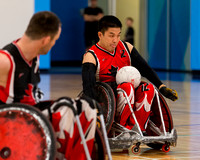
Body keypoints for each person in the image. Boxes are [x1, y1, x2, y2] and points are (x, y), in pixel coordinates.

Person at [0, 11, 98, 160]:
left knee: (86, 106)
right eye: (55, 40)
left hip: (34, 118)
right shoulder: (5, 61)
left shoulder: (35, 56)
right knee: (68, 111)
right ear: (46, 40)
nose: (54, 44)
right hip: (13, 127)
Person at [82, 15, 178, 132]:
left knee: (148, 88)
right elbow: (88, 88)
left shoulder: (127, 47)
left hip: (129, 95)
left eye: (118, 35)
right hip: (107, 102)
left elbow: (146, 69)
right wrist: (95, 111)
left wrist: (161, 87)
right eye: (111, 36)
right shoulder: (91, 56)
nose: (115, 40)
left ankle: (138, 129)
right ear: (100, 35)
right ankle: (122, 128)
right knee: (127, 88)